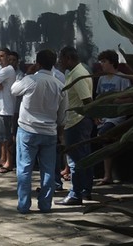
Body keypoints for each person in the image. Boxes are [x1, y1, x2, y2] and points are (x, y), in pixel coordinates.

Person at [11, 49, 68, 214]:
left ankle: (23, 205)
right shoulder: (60, 85)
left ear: (37, 63)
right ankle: (45, 205)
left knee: (24, 169)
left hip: (27, 130)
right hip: (49, 132)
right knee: (48, 170)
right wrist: (59, 131)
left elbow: (14, 90)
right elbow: (63, 115)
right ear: (54, 63)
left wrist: (25, 74)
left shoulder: (30, 80)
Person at [56, 46, 94, 206]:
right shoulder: (75, 72)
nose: (59, 62)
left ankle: (75, 193)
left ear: (69, 58)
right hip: (77, 120)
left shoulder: (78, 74)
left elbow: (87, 100)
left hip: (77, 121)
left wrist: (93, 116)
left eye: (61, 59)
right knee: (84, 157)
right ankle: (85, 190)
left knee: (75, 160)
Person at [95, 49, 131, 185]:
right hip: (103, 117)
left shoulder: (122, 78)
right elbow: (98, 98)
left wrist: (116, 101)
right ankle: (105, 173)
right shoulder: (102, 79)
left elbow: (130, 100)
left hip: (116, 118)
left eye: (104, 62)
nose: (102, 65)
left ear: (112, 62)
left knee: (105, 136)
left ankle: (107, 174)